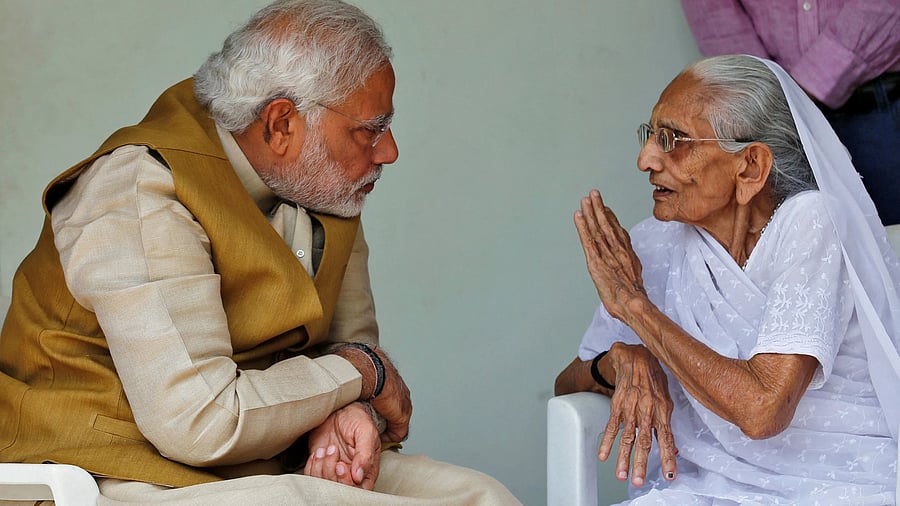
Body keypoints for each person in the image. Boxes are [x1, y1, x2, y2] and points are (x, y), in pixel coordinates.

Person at [0, 1, 521, 504]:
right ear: (280, 124)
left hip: (265, 460)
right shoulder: (139, 189)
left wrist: (352, 413)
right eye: (370, 130)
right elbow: (201, 421)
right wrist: (361, 374)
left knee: (481, 497)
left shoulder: (323, 180)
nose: (389, 151)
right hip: (112, 471)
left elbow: (350, 353)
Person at [555, 54, 900, 504]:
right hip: (704, 489)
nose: (645, 159)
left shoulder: (811, 221)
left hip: (835, 484)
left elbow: (763, 410)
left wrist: (637, 309)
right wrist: (620, 359)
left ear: (751, 167)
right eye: (649, 135)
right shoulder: (654, 243)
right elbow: (567, 384)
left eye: (672, 140)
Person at [679, 0, 900, 226]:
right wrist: (758, 88)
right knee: (797, 243)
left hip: (879, 107)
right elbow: (711, 10)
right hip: (771, 121)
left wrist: (795, 91)